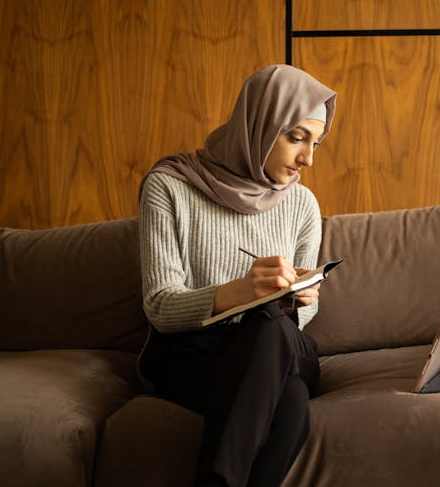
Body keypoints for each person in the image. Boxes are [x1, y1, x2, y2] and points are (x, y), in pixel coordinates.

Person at [137, 64, 337, 487]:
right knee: (291, 401)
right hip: (193, 353)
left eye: (316, 143)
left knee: (269, 326)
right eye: (297, 137)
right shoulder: (169, 186)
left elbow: (297, 319)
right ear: (258, 122)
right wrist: (239, 293)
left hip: (279, 345)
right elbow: (159, 306)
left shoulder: (302, 205)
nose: (308, 158)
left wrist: (300, 297)